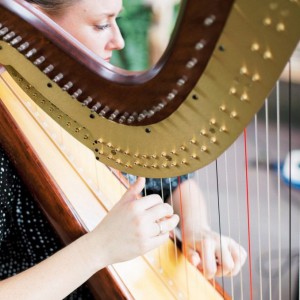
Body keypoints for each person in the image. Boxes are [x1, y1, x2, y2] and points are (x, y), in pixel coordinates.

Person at [0, 0, 246, 299]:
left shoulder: (88, 92)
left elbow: (173, 180)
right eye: (103, 24)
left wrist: (197, 229)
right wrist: (99, 248)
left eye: (117, 20)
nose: (119, 41)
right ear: (30, 21)